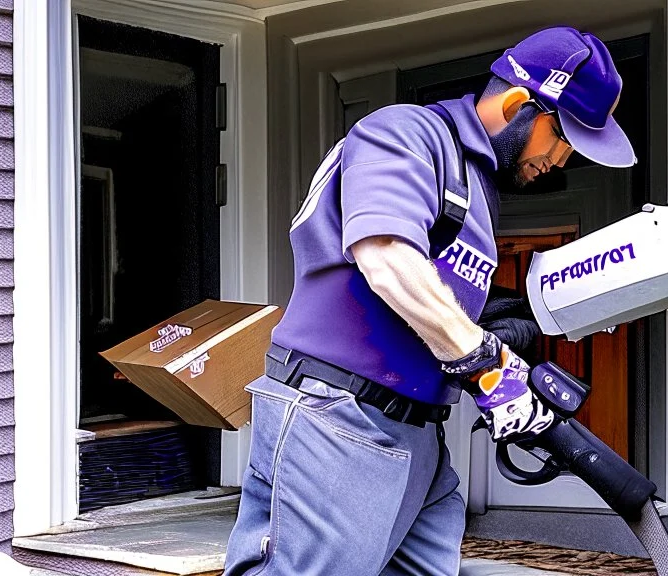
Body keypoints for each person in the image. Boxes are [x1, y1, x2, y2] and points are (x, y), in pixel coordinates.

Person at [223, 26, 635, 576]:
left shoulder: (478, 184)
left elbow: (428, 286)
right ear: (518, 104)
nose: (562, 160)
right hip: (341, 415)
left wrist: (489, 322)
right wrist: (486, 366)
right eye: (562, 140)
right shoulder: (405, 133)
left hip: (417, 433)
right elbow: (387, 254)